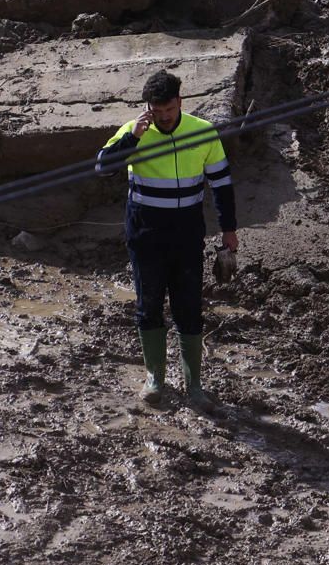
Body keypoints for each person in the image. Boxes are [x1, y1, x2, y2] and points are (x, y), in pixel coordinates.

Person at [94, 69, 238, 407]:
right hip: (146, 234)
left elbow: (221, 185)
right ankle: (155, 379)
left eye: (169, 111)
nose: (164, 118)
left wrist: (229, 230)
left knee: (189, 307)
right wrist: (133, 138)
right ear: (147, 109)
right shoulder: (133, 132)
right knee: (149, 305)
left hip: (187, 234)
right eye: (156, 113)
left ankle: (195, 385)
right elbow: (102, 167)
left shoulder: (202, 132)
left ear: (180, 103)